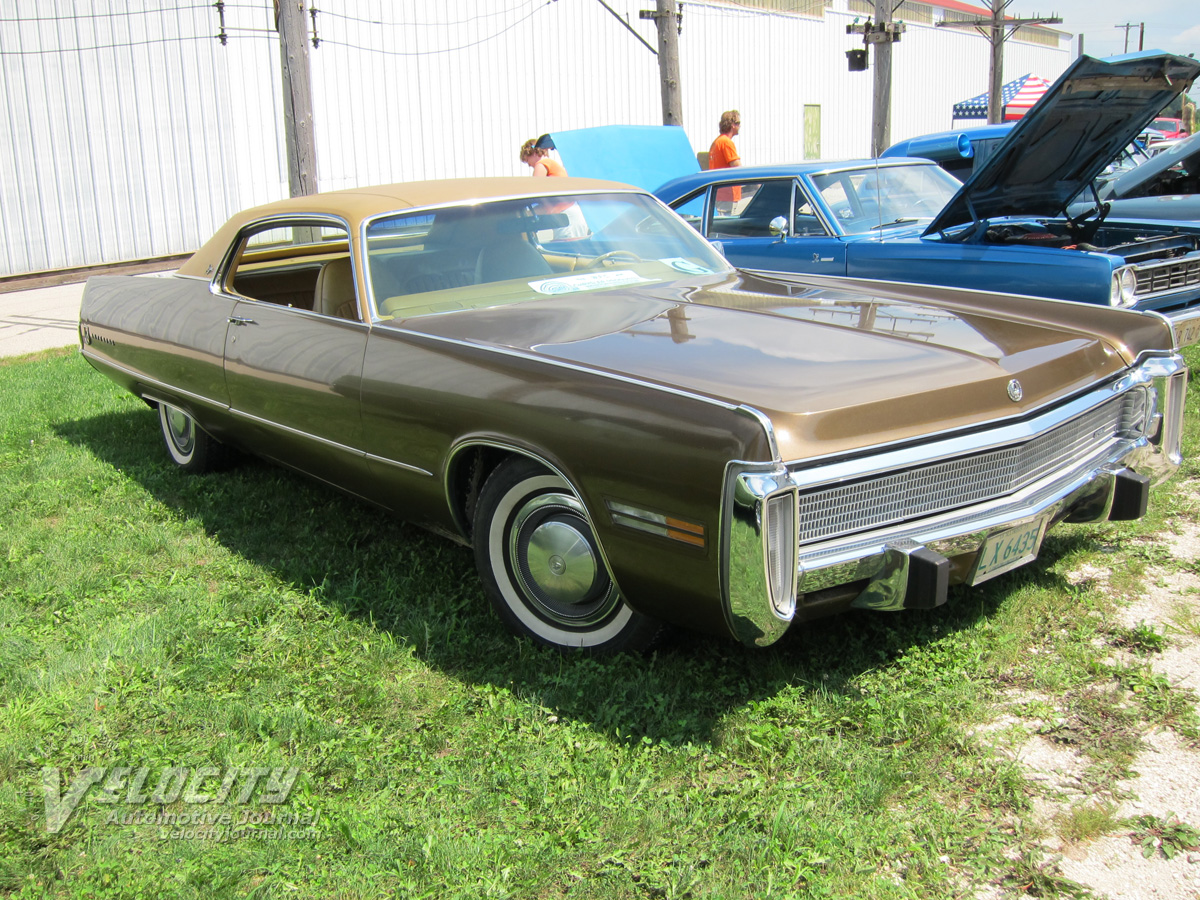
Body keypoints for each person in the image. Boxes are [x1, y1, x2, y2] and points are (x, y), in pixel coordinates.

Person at [518, 134, 588, 239]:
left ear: (532, 153)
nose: (528, 164)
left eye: (527, 160)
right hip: (572, 214)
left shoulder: (542, 164)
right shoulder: (553, 165)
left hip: (565, 216)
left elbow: (535, 191)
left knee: (565, 251)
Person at [709, 111, 742, 213]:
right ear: (733, 125)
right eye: (738, 123)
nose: (740, 126)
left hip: (718, 192)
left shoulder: (716, 142)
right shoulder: (727, 143)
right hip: (727, 194)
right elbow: (737, 167)